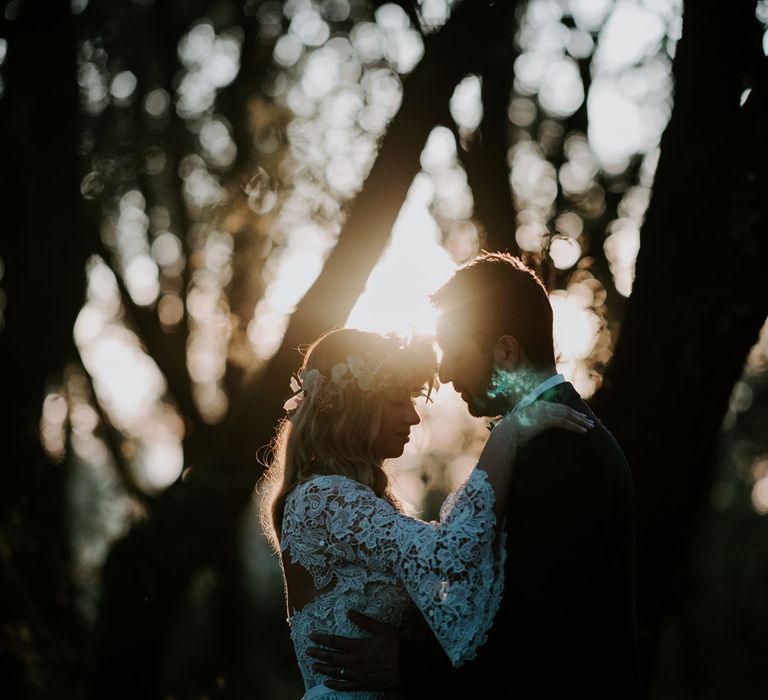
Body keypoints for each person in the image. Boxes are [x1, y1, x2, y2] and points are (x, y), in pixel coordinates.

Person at [308, 253, 641, 698]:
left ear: (505, 350)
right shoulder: (539, 438)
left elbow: (537, 630)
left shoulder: (562, 449)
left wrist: (407, 665)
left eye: (453, 351)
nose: (443, 374)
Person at [260, 326, 593, 699]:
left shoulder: (351, 497)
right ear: (355, 405)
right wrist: (507, 436)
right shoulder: (322, 499)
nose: (413, 417)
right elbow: (449, 555)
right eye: (397, 400)